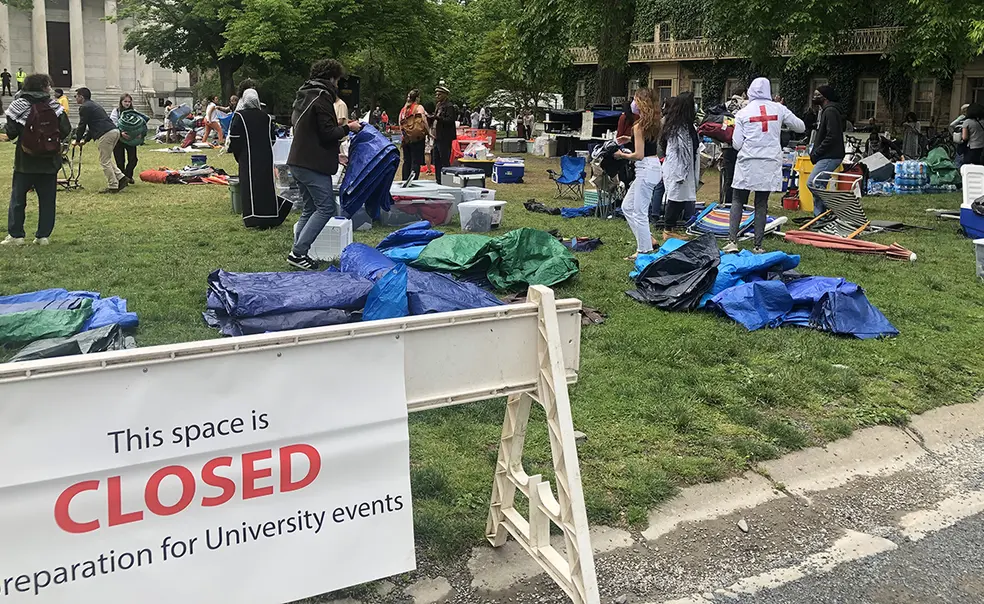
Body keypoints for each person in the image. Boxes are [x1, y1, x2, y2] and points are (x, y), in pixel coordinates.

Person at [286, 58, 362, 270]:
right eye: (337, 81)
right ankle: (298, 252)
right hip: (312, 164)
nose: (337, 85)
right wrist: (349, 127)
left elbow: (310, 132)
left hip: (298, 160)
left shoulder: (304, 95)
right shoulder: (323, 98)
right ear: (331, 78)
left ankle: (298, 253)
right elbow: (328, 133)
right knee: (326, 207)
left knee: (310, 208)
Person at [725, 77, 806, 254]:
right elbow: (800, 127)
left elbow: (737, 143)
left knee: (738, 199)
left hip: (748, 160)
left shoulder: (743, 113)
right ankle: (758, 245)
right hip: (769, 160)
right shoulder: (778, 109)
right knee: (761, 202)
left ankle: (732, 241)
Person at [2, 73, 72, 246]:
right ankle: (43, 236)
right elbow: (65, 129)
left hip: (25, 161)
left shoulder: (18, 105)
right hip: (49, 161)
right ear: (44, 87)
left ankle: (16, 235)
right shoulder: (54, 106)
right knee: (47, 200)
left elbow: (10, 132)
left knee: (18, 199)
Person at [228, 88, 290, 229]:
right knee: (265, 185)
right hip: (265, 156)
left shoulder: (240, 116)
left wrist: (239, 154)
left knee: (250, 185)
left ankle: (253, 217)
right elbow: (272, 138)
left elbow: (235, 138)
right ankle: (269, 214)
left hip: (247, 156)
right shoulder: (266, 117)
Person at [614, 88, 663, 260]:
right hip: (653, 166)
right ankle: (647, 241)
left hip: (645, 168)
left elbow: (639, 155)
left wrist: (622, 155)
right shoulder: (655, 123)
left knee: (639, 212)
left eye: (635, 99)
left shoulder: (638, 126)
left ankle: (644, 251)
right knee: (627, 207)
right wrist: (630, 140)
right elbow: (647, 144)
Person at [660, 92, 702, 240]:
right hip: (678, 169)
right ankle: (667, 229)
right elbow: (678, 151)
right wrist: (681, 173)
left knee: (682, 198)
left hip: (685, 169)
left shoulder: (685, 125)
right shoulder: (677, 127)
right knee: (675, 198)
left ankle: (672, 227)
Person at [73, 87, 127, 194]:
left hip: (106, 133)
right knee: (106, 158)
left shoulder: (84, 107)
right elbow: (92, 125)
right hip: (114, 131)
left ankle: (113, 185)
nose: (75, 99)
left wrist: (77, 139)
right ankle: (121, 178)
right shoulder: (93, 105)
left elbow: (82, 125)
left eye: (76, 96)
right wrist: (85, 140)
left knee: (104, 161)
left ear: (81, 97)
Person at [807, 84, 845, 214]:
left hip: (830, 155)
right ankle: (820, 217)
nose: (814, 97)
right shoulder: (826, 110)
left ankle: (833, 210)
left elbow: (832, 136)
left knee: (813, 183)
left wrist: (817, 152)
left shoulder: (830, 111)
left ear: (825, 98)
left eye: (817, 95)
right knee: (819, 184)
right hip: (828, 155)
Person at [110, 93, 149, 185]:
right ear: (121, 102)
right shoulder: (116, 111)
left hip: (131, 140)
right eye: (125, 101)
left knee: (133, 159)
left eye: (129, 101)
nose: (127, 103)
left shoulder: (134, 112)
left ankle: (128, 176)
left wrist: (140, 133)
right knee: (120, 160)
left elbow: (141, 123)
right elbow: (112, 123)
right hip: (119, 139)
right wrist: (120, 133)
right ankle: (122, 179)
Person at [721, 86, 747, 207]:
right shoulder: (747, 105)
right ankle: (742, 203)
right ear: (743, 94)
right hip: (742, 146)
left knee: (729, 176)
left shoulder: (726, 105)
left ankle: (728, 202)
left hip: (726, 145)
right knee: (743, 177)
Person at [399, 89, 427, 180]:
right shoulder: (419, 107)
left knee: (406, 161)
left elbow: (399, 123)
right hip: (416, 137)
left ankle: (404, 179)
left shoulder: (403, 110)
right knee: (416, 161)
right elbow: (423, 119)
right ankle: (413, 181)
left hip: (406, 137)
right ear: (417, 98)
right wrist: (429, 132)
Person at [431, 84, 457, 180]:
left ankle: (446, 179)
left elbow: (450, 120)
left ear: (445, 95)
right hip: (437, 136)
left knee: (444, 159)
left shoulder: (449, 106)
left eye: (439, 95)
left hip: (445, 137)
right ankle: (438, 178)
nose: (437, 96)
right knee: (436, 158)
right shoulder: (438, 105)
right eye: (436, 95)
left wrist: (438, 118)